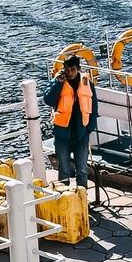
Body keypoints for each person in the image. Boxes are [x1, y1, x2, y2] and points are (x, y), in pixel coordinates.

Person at [45, 54, 96, 188]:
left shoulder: (87, 83)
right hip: (62, 134)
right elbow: (48, 100)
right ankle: (64, 198)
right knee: (64, 170)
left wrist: (89, 129)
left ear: (78, 68)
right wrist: (58, 85)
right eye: (67, 69)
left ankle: (82, 198)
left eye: (72, 69)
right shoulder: (58, 81)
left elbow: (94, 107)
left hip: (81, 134)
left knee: (82, 170)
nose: (69, 73)